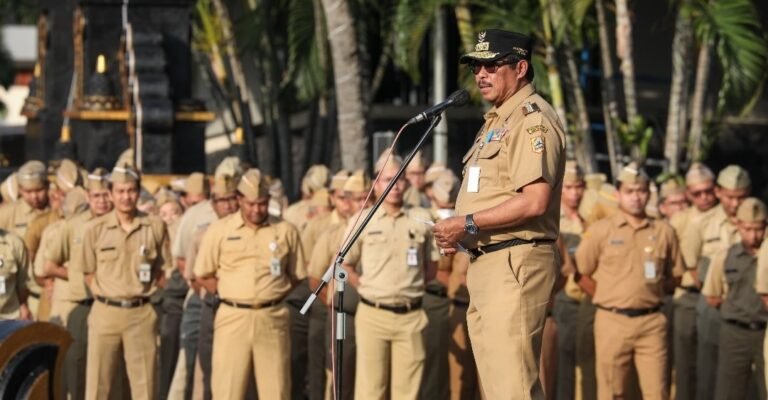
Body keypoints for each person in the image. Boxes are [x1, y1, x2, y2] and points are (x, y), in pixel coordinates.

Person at [432, 29, 566, 399]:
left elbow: (534, 201)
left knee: (513, 389)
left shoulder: (532, 120)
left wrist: (467, 223)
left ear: (520, 67)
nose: (481, 74)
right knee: (495, 387)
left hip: (515, 264)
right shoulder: (496, 121)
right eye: (476, 66)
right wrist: (461, 231)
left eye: (491, 65)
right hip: (488, 263)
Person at [194, 168, 306, 400]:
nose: (257, 210)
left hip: (272, 316)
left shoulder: (285, 230)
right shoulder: (220, 231)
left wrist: (271, 293)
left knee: (277, 389)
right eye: (251, 204)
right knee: (228, 388)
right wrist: (230, 293)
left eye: (262, 204)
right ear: (239, 200)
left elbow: (296, 275)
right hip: (232, 317)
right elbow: (202, 274)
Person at [576, 162, 684, 400]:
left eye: (641, 191)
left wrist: (647, 292)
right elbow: (580, 272)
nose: (636, 197)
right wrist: (608, 295)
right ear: (618, 194)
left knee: (658, 392)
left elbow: (675, 276)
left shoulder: (664, 231)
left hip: (652, 322)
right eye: (629, 191)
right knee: (613, 392)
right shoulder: (601, 230)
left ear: (649, 193)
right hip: (611, 321)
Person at [339, 156, 437, 400]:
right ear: (377, 183)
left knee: (408, 393)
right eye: (387, 180)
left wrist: (410, 288)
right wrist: (364, 286)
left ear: (406, 183)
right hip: (373, 315)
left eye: (400, 179)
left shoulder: (421, 217)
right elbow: (345, 264)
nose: (395, 185)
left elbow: (432, 265)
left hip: (411, 316)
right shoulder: (362, 219)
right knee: (371, 391)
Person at [80, 164, 171, 400]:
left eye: (131, 191)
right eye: (120, 191)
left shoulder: (154, 226)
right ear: (110, 194)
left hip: (141, 314)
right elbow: (88, 272)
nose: (125, 197)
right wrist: (108, 293)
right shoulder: (95, 229)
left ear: (138, 192)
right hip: (105, 313)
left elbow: (164, 269)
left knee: (145, 387)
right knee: (99, 386)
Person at [43, 167, 115, 400]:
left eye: (106, 195)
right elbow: (49, 265)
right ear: (87, 197)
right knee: (75, 365)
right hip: (80, 305)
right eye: (96, 196)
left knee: (110, 371)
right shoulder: (74, 226)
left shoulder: (119, 224)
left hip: (110, 308)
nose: (102, 201)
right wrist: (76, 275)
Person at [681, 164, 751, 400]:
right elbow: (691, 265)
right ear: (719, 192)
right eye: (730, 197)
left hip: (747, 310)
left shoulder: (756, 222)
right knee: (709, 370)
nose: (735, 204)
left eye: (741, 197)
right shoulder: (701, 223)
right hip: (713, 305)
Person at [307, 169, 372, 400]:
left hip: (375, 313)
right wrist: (333, 307)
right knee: (340, 373)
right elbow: (315, 279)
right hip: (344, 314)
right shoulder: (333, 234)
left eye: (368, 198)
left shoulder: (377, 227)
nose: (363, 204)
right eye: (357, 199)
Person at [702, 197, 767, 400]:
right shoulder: (724, 255)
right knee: (729, 391)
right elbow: (712, 296)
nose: (753, 235)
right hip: (735, 332)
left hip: (764, 331)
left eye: (758, 229)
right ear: (737, 226)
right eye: (747, 229)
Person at [668, 163, 718, 400]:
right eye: (697, 193)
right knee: (685, 362)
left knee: (712, 363)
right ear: (688, 194)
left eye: (708, 190)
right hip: (686, 295)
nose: (705, 197)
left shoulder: (725, 215)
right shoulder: (679, 220)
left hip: (716, 298)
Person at [553, 160, 587, 400]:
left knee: (584, 364)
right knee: (563, 365)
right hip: (564, 297)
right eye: (569, 187)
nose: (574, 193)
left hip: (588, 299)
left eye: (579, 187)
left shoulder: (590, 217)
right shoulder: (554, 219)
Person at [0, 160, 51, 320]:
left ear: (48, 186)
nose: (35, 196)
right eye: (28, 191)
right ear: (20, 190)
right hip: (15, 294)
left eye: (39, 190)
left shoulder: (58, 212)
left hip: (47, 292)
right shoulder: (8, 213)